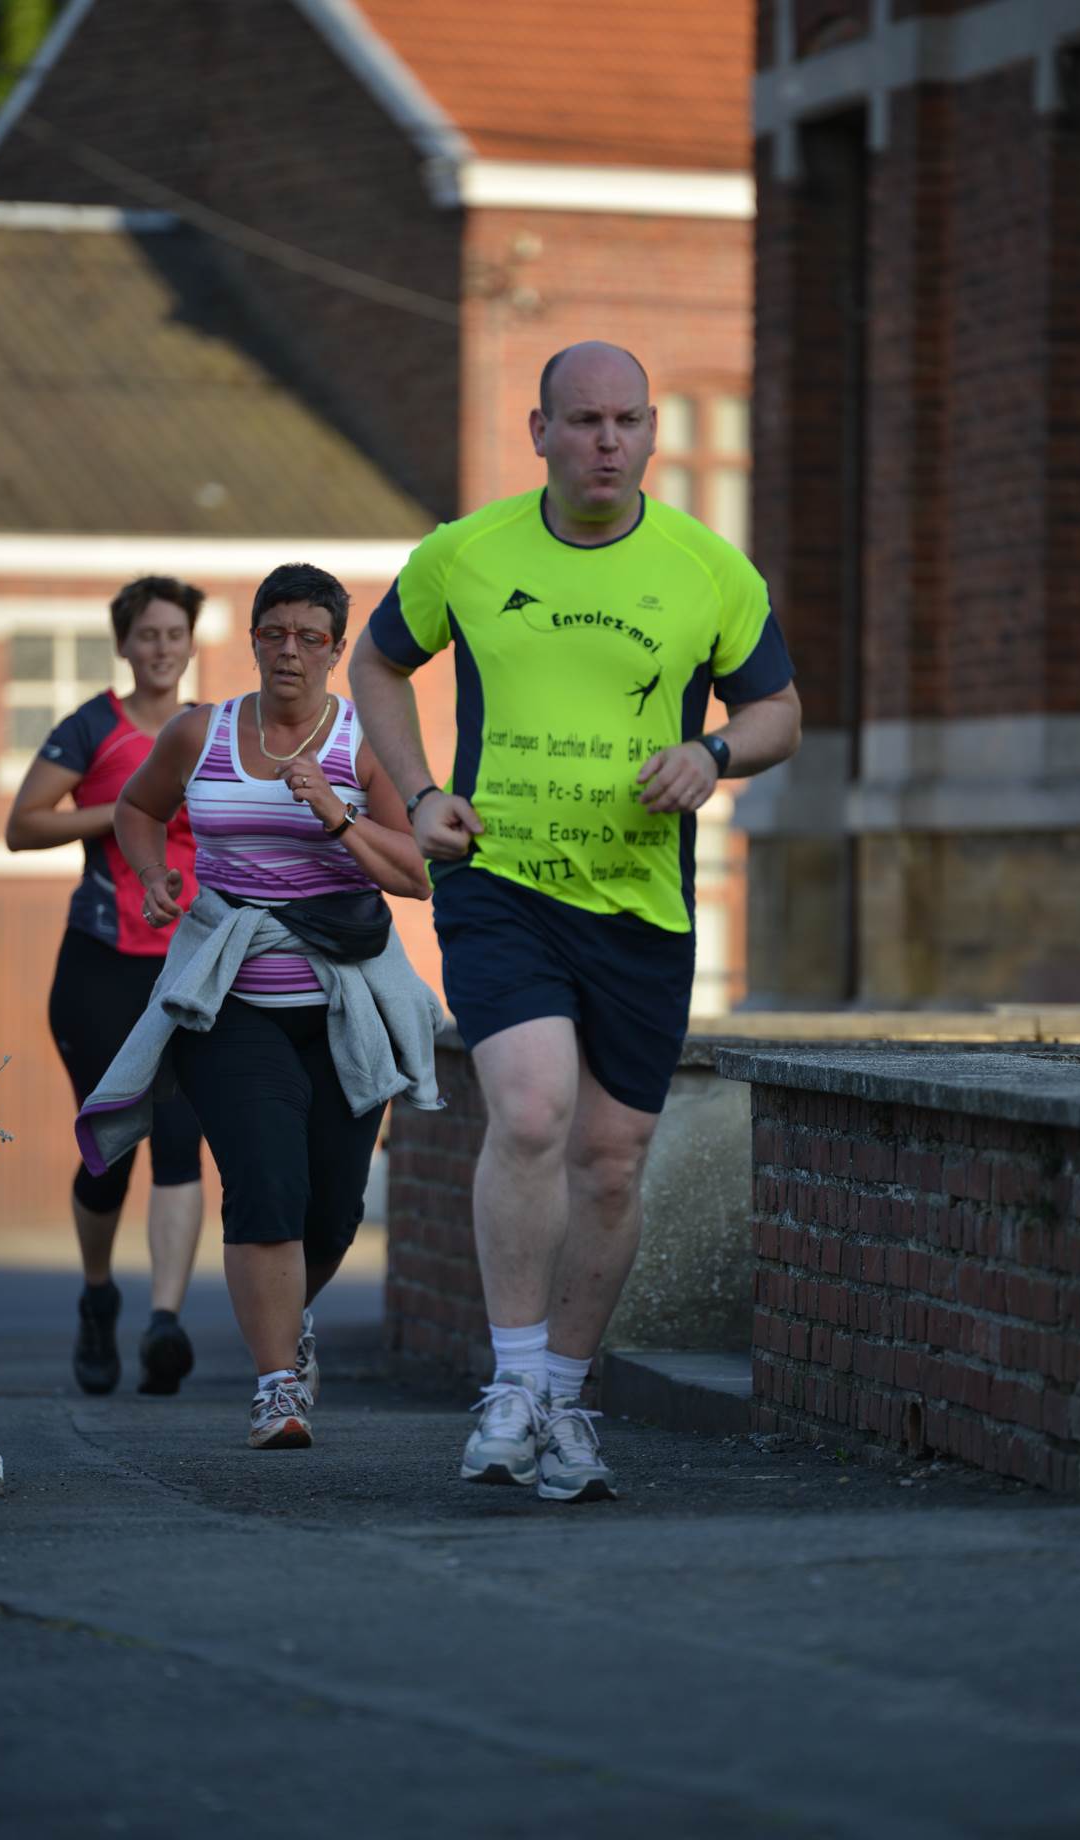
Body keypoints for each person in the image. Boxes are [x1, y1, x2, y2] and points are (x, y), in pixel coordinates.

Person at [349, 341, 802, 1501]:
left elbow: (778, 710)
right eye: (584, 419)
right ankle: (507, 1388)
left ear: (650, 431)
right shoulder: (467, 551)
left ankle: (562, 1397)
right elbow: (377, 665)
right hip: (499, 882)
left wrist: (712, 754)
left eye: (626, 420)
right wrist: (419, 793)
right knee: (534, 1109)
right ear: (540, 431)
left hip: (641, 903)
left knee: (610, 1160)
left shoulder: (709, 569)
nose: (607, 440)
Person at [76, 563, 441, 1451]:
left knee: (334, 1210)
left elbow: (417, 874)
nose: (289, 652)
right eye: (273, 633)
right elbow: (136, 811)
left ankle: (288, 1322)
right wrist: (155, 873)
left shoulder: (362, 743)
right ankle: (276, 1388)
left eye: (309, 637)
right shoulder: (200, 732)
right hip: (231, 997)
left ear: (337, 650)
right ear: (252, 640)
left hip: (344, 1002)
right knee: (265, 1181)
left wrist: (337, 816)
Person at [5, 576, 207, 1398]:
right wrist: (129, 809)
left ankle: (165, 1324)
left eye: (174, 634)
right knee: (112, 1147)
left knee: (182, 1136)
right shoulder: (92, 726)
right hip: (100, 962)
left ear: (191, 644)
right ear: (123, 644)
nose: (162, 648)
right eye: (147, 634)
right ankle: (98, 1298)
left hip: (191, 963)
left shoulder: (210, 730)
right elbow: (23, 825)